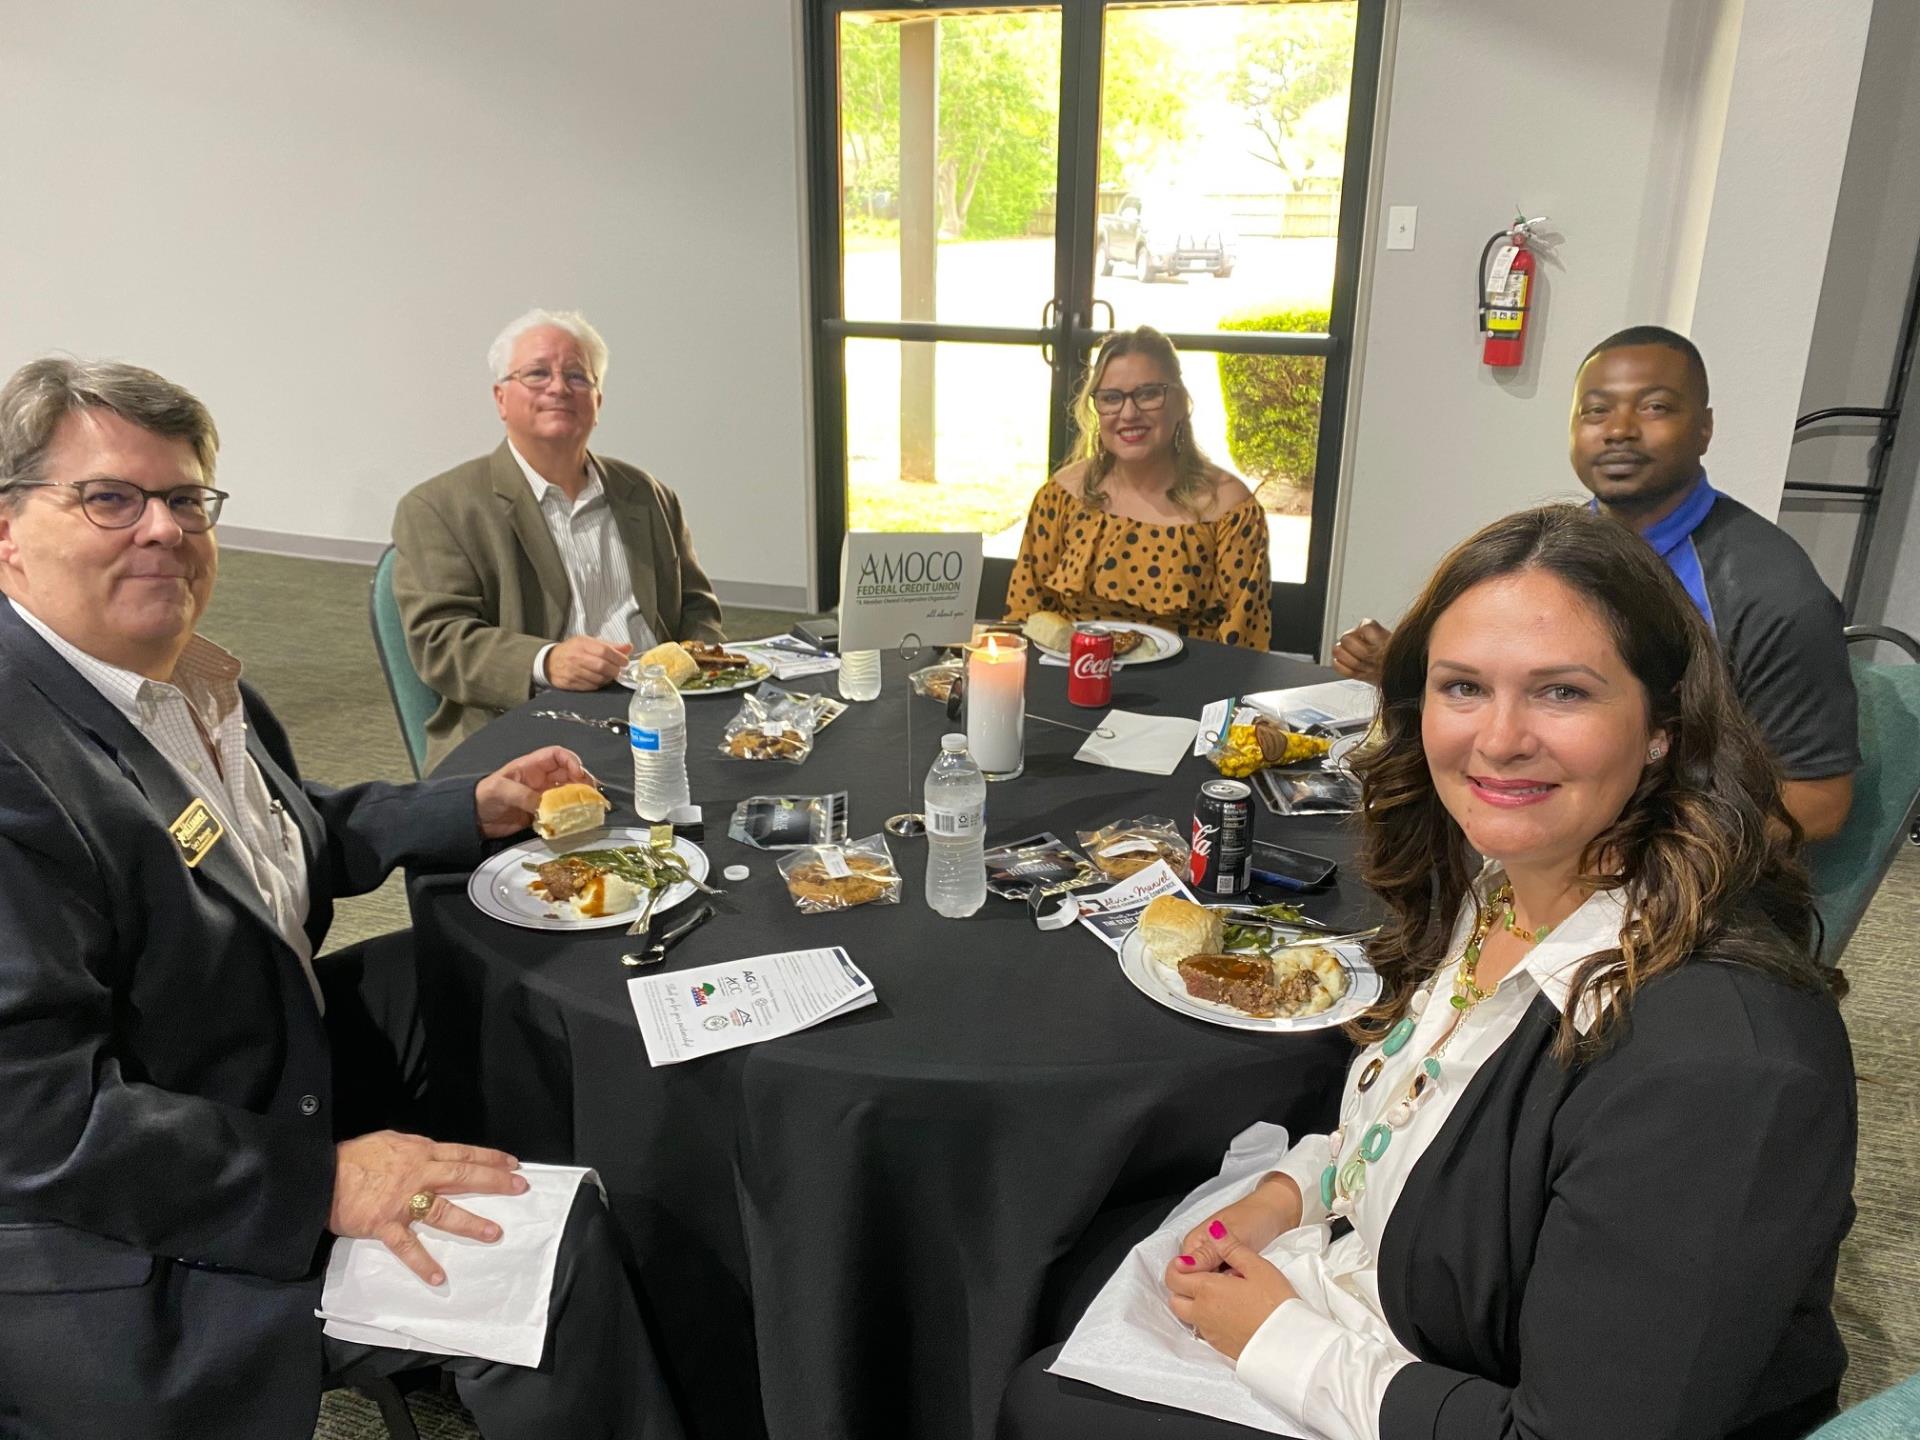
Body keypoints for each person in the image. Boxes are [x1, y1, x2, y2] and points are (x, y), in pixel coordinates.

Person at [1002, 504, 1855, 1440]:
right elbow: (1409, 1120)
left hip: (1458, 1396)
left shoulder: (1721, 1070)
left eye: (1562, 692)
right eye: (1462, 688)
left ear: (1663, 725)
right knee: (1055, 1271)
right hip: (1392, 1301)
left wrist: (1271, 1336)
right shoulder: (1503, 886)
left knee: (1043, 1399)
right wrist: (1287, 1194)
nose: (1497, 739)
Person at [0, 358, 684, 1439]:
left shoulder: (179, 683)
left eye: (185, 500)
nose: (163, 530)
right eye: (109, 498)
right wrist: (323, 1180)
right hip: (132, 1232)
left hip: (239, 1058)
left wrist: (476, 807)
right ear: (6, 536)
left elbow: (283, 838)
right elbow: (35, 1125)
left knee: (497, 985)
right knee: (553, 1257)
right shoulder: (15, 768)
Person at [1333, 326, 1858, 841]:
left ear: (1705, 428)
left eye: (1654, 407)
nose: (1619, 430)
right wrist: (1410, 672)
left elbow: (1819, 804)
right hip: (1537, 835)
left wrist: (1631, 862)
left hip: (1669, 877)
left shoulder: (1773, 593)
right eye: (1596, 410)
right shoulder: (1553, 550)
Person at [393, 308, 725, 771]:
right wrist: (545, 662)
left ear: (598, 400)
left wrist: (696, 675)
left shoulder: (646, 495)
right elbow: (440, 644)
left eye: (577, 376)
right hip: (528, 729)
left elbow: (696, 608)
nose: (558, 387)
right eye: (537, 374)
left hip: (660, 717)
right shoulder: (440, 508)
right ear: (500, 398)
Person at [1004, 326, 1272, 649]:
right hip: (1073, 682)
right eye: (1111, 398)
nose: (1128, 413)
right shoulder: (1060, 496)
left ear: (1180, 403)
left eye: (1148, 394)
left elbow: (1244, 645)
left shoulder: (1231, 508)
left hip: (1189, 690)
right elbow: (1025, 618)